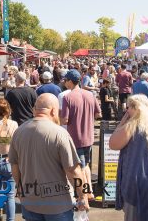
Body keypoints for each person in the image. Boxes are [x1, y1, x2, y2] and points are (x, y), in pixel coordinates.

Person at [9, 93, 89, 220]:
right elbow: (73, 170)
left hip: (30, 202)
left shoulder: (19, 132)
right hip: (57, 205)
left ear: (34, 110)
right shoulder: (60, 134)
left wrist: (20, 188)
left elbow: (14, 165)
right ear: (53, 111)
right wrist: (83, 195)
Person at [109, 94, 148, 221]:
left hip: (136, 180)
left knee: (135, 216)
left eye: (129, 108)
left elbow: (113, 144)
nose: (127, 110)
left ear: (136, 109)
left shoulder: (131, 127)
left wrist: (122, 122)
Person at [61, 69, 101, 200]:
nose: (65, 82)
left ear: (70, 82)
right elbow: (98, 114)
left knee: (79, 168)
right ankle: (89, 191)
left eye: (66, 80)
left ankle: (83, 195)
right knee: (86, 165)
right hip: (89, 137)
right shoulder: (90, 95)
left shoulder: (68, 97)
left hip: (75, 138)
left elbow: (65, 120)